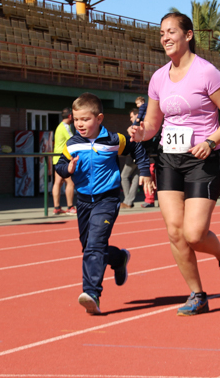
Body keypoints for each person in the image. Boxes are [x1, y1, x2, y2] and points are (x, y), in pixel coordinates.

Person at [128, 12, 220, 316]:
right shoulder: (158, 77)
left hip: (202, 158)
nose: (165, 38)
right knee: (175, 232)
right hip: (169, 158)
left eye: (171, 32)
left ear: (188, 35)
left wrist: (210, 142)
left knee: (194, 234)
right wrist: (142, 133)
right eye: (162, 33)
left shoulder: (208, 73)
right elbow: (153, 124)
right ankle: (197, 294)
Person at [55, 92, 152, 314]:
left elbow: (137, 148)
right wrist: (66, 168)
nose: (80, 124)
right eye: (77, 119)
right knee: (88, 246)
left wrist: (145, 171)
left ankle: (92, 293)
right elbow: (60, 164)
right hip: (83, 201)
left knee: (95, 244)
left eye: (85, 119)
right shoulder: (72, 144)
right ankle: (118, 258)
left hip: (107, 199)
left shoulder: (113, 140)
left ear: (99, 118)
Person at [52, 107, 75, 215]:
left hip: (57, 158)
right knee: (70, 182)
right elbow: (74, 140)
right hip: (63, 158)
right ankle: (70, 207)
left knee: (58, 182)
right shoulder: (65, 127)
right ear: (70, 116)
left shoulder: (60, 126)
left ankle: (57, 207)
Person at [120, 109, 141, 209]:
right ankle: (129, 201)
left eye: (132, 116)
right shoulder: (142, 124)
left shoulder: (136, 125)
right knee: (136, 176)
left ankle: (128, 201)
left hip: (134, 154)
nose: (130, 118)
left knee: (124, 176)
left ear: (137, 115)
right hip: (141, 154)